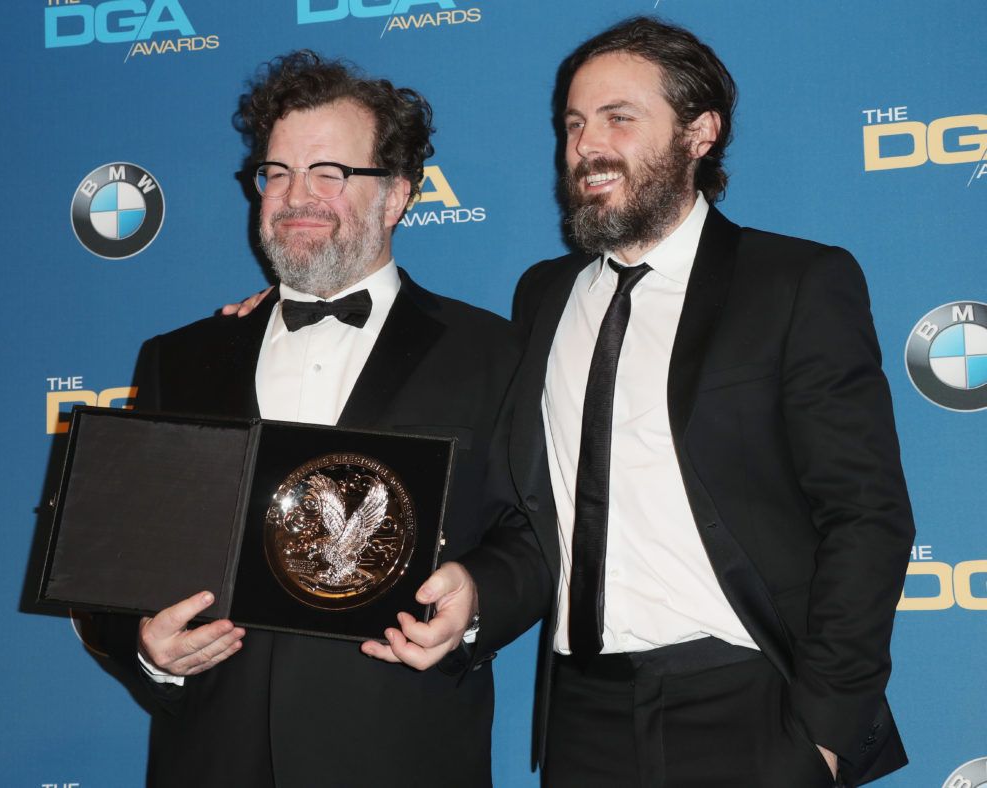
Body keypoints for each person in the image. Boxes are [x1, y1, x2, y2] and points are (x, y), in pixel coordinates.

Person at [363, 16, 916, 788]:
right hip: (580, 719)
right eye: (575, 124)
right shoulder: (544, 297)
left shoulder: (792, 285)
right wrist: (284, 305)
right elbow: (537, 504)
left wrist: (820, 737)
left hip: (749, 710)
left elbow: (868, 516)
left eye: (620, 118)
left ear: (701, 133)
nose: (588, 146)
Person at [97, 50, 519, 788]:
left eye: (331, 172)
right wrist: (142, 647)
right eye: (277, 172)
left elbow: (543, 534)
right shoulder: (180, 359)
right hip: (212, 759)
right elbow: (108, 555)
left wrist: (478, 599)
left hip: (404, 756)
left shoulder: (494, 353)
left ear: (396, 195)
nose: (297, 196)